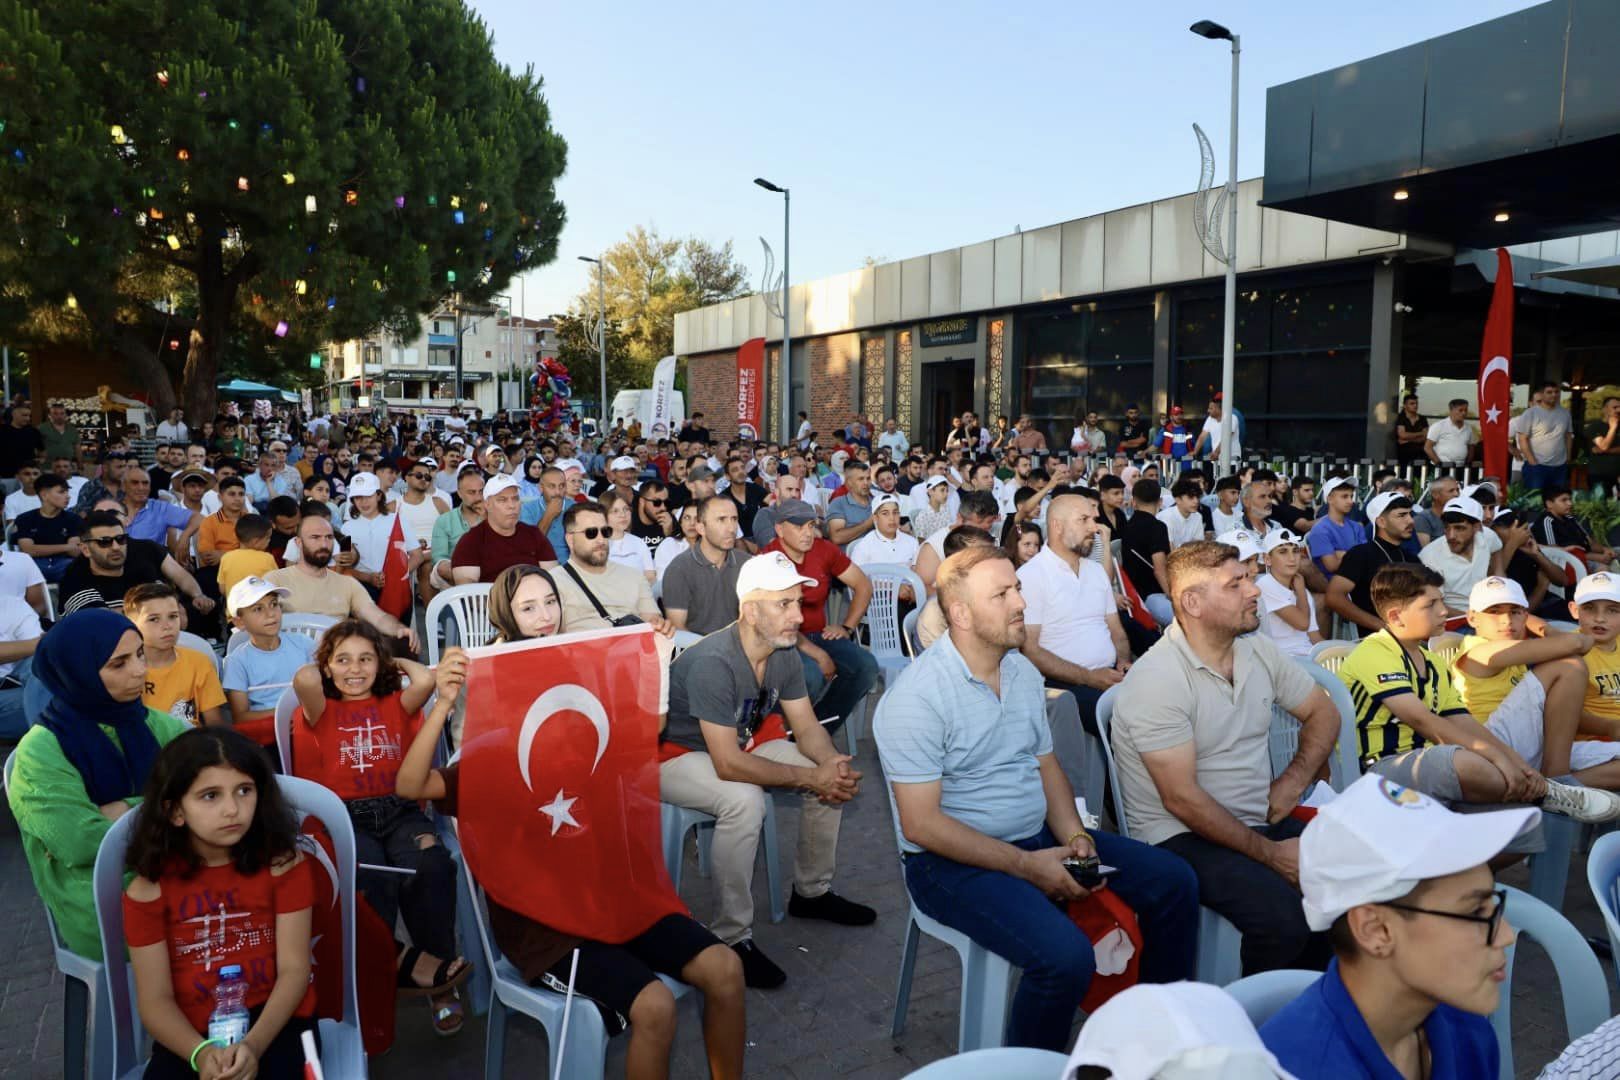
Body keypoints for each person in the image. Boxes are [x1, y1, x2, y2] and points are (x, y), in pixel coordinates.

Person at [396, 609, 745, 1080]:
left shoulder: (589, 734)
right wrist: (441, 705)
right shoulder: (489, 758)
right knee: (655, 1007)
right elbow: (410, 786)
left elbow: (651, 724)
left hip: (616, 900)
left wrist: (656, 657)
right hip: (546, 929)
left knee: (725, 968)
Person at [874, 545, 1197, 1050]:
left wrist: (1073, 834)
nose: (1020, 602)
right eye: (1001, 594)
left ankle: (1152, 1037)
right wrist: (1028, 866)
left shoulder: (1021, 671)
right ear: (960, 613)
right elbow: (922, 825)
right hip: (949, 862)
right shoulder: (916, 698)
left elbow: (1046, 766)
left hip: (1040, 837)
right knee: (1063, 957)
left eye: (1018, 588)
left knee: (1175, 881)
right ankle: (1029, 1065)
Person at [1112, 541, 1344, 975]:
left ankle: (1316, 1013)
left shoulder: (1254, 649)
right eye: (1235, 584)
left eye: (1249, 578)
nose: (1253, 590)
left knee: (1353, 882)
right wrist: (1273, 856)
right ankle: (1251, 1025)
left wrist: (1292, 782)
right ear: (1192, 603)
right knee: (1285, 919)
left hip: (1255, 816)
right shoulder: (1157, 679)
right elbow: (1180, 800)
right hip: (1179, 835)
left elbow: (1323, 712)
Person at [659, 553, 874, 989]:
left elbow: (808, 728)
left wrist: (830, 766)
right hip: (675, 755)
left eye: (798, 602)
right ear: (750, 610)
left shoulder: (783, 651)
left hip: (742, 740)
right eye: (784, 604)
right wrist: (812, 777)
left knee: (826, 773)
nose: (798, 615)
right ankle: (731, 938)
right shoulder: (713, 661)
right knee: (744, 800)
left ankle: (811, 893)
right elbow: (728, 764)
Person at [1260, 773, 1533, 1078]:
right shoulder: (1296, 1069)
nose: (1507, 936)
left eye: (1494, 904)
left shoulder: (1469, 1033)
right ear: (1376, 930)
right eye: (1476, 911)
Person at [290, 620, 470, 1035]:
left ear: (381, 663)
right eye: (343, 661)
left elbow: (424, 678)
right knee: (370, 876)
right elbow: (303, 677)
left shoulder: (396, 703)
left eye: (365, 659)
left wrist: (386, 660)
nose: (355, 669)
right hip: (345, 816)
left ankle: (438, 976)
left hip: (400, 809)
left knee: (432, 866)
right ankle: (383, 973)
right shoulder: (321, 708)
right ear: (328, 667)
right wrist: (337, 663)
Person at [1337, 564, 1618, 826]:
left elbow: (1462, 720)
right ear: (1396, 616)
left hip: (1431, 759)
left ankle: (1546, 791)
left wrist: (1515, 765)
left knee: (1523, 830)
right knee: (1463, 761)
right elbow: (1423, 720)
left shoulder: (1432, 661)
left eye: (1441, 601)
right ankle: (1550, 791)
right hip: (1380, 768)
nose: (1444, 611)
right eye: (1431, 605)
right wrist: (1500, 761)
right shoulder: (1375, 651)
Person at [120, 727, 317, 1080]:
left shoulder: (284, 866)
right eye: (210, 796)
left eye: (244, 790)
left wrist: (253, 1046)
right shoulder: (148, 891)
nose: (232, 809)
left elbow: (295, 971)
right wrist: (201, 1053)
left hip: (275, 1020)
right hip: (188, 1035)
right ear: (175, 811)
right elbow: (154, 1001)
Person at [6, 610, 191, 958]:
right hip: (98, 899)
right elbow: (81, 842)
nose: (140, 670)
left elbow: (207, 798)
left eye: (139, 654)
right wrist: (172, 811)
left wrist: (125, 810)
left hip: (175, 871)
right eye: (118, 664)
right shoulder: (40, 753)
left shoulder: (158, 725)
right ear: (78, 673)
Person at [1016, 493, 1130, 735]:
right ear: (1057, 526)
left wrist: (1122, 661)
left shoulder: (1096, 572)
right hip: (1063, 686)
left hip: (1109, 676)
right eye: (1084, 520)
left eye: (1094, 519)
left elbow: (1116, 630)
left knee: (1167, 705)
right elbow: (1031, 650)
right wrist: (1089, 677)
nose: (1094, 528)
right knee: (1131, 725)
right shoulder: (1031, 576)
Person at [761, 499, 879, 732]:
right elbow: (778, 622)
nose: (807, 533)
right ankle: (774, 734)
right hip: (780, 640)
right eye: (798, 526)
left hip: (818, 633)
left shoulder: (822, 549)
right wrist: (818, 654)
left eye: (810, 525)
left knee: (866, 667)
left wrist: (846, 627)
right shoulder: (768, 559)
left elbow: (863, 585)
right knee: (810, 675)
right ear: (779, 529)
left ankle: (818, 731)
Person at [265, 516, 417, 652]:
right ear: (298, 543)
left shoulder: (347, 583)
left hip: (338, 660)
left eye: (329, 537)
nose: (324, 544)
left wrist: (399, 629)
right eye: (315, 537)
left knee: (403, 646)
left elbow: (377, 617)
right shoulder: (275, 580)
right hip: (289, 661)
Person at [220, 577, 314, 742]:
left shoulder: (304, 644)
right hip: (266, 735)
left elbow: (322, 692)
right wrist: (285, 714)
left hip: (308, 725)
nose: (270, 613)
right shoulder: (236, 662)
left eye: (274, 604)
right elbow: (241, 717)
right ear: (240, 622)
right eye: (258, 609)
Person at [554, 501, 666, 630]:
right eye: (591, 533)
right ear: (570, 540)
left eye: (605, 532)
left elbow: (653, 623)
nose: (601, 540)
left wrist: (660, 626)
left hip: (632, 646)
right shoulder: (554, 583)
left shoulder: (634, 577)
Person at [126, 583, 225, 727]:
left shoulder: (199, 663)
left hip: (190, 745)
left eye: (173, 616)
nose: (167, 626)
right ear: (131, 624)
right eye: (154, 619)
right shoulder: (124, 671)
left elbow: (215, 724)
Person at [1328, 491, 1419, 637]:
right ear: (1381, 522)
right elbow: (1334, 597)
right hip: (1376, 638)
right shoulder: (1361, 554)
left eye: (1410, 514)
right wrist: (1382, 626)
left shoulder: (1411, 558)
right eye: (1402, 515)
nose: (1410, 521)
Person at [450, 472, 556, 584]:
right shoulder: (471, 541)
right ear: (487, 505)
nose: (512, 505)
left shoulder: (534, 534)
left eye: (515, 498)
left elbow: (553, 577)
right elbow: (468, 591)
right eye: (502, 500)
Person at [663, 497, 748, 635]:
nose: (731, 528)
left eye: (734, 519)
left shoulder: (747, 564)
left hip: (743, 647)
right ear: (701, 528)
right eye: (721, 520)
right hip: (699, 650)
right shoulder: (679, 569)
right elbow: (678, 629)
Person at [1419, 495, 1508, 618]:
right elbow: (1434, 604)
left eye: (1459, 528)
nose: (1451, 536)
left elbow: (1498, 560)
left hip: (1489, 612)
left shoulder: (1488, 537)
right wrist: (1475, 619)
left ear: (1477, 527)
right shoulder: (1429, 556)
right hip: (1454, 620)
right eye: (1447, 527)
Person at [1258, 530, 1322, 657]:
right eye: (1283, 552)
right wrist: (1301, 592)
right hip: (1283, 660)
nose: (1292, 558)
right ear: (1267, 559)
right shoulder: (1265, 585)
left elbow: (1314, 637)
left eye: (1295, 551)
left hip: (1308, 656)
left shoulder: (1301, 588)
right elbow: (1302, 624)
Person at [1120, 479, 1174, 627]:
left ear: (1133, 501)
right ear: (1160, 501)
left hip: (1132, 593)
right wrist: (1171, 595)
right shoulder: (1158, 527)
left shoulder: (1127, 525)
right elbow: (1159, 569)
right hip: (1152, 596)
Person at [1572, 572, 1620, 736]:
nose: (1600, 618)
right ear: (1574, 610)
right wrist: (1612, 728)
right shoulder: (1569, 652)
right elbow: (1563, 713)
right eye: (1589, 608)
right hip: (1594, 741)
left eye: (1612, 610)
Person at [14, 473, 81, 582]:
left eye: (67, 491)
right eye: (61, 492)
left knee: (78, 569)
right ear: (44, 495)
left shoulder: (73, 519)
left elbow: (75, 551)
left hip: (65, 565)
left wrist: (39, 549)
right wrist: (66, 547)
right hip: (34, 565)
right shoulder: (25, 519)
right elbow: (28, 550)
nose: (68, 496)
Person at [123, 467, 200, 559]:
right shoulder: (111, 508)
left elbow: (199, 519)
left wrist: (185, 536)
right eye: (135, 483)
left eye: (145, 483)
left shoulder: (161, 508)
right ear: (123, 486)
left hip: (152, 566)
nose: (141, 488)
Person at [430, 466, 485, 592]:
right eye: (471, 492)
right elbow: (439, 559)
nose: (478, 497)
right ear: (459, 493)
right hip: (455, 578)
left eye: (481, 491)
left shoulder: (494, 517)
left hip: (491, 573)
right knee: (442, 567)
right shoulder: (445, 520)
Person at [1537, 485, 1615, 568]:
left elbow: (1589, 542)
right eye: (1564, 500)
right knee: (1603, 569)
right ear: (1549, 504)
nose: (1570, 503)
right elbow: (1554, 553)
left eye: (1570, 499)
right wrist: (1595, 557)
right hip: (1568, 564)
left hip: (1586, 556)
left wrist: (1604, 549)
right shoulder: (1547, 522)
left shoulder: (1570, 518)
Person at [1517, 380, 1574, 492]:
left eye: (1556, 392)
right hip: (1537, 466)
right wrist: (1532, 461)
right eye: (1549, 392)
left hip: (1560, 466)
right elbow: (1522, 439)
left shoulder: (1565, 413)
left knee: (1557, 501)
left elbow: (1568, 436)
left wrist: (1568, 457)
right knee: (1535, 502)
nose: (1554, 394)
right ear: (1542, 395)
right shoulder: (1530, 413)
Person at [846, 493, 918, 570]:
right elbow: (856, 577)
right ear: (875, 518)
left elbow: (918, 574)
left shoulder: (912, 542)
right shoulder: (865, 545)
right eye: (885, 513)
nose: (892, 518)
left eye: (895, 513)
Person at [218, 514, 279, 602]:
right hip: (260, 610)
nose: (269, 541)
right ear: (256, 542)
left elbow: (222, 589)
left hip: (234, 612)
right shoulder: (267, 558)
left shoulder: (226, 558)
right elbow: (275, 583)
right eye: (268, 538)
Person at [600, 490, 656, 582]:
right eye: (615, 511)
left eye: (626, 509)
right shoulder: (598, 543)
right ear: (603, 515)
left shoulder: (638, 542)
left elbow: (650, 577)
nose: (623, 515)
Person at [824, 460, 875, 548]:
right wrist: (867, 524)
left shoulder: (877, 502)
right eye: (861, 479)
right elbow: (836, 537)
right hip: (850, 558)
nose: (866, 483)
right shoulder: (838, 503)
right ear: (849, 482)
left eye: (868, 478)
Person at [1424, 399, 1476, 467]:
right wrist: (1439, 464)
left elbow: (1471, 447)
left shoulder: (1468, 428)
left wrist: (1467, 463)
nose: (1464, 413)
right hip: (1442, 467)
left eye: (1465, 410)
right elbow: (1427, 447)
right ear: (1451, 410)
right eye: (1460, 410)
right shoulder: (1439, 426)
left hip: (1461, 467)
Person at [1587, 394, 1620, 498]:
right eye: (1615, 407)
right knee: (1599, 507)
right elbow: (1604, 446)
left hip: (1617, 476)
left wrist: (1606, 451)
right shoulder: (1594, 426)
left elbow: (1603, 449)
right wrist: (1613, 428)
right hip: (1598, 475)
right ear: (1604, 409)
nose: (1618, 410)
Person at [1393, 392, 1428, 464]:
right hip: (1404, 455)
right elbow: (1402, 435)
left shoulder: (1422, 419)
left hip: (1420, 454)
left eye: (1416, 403)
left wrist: (1408, 440)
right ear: (1405, 405)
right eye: (1412, 403)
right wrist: (1420, 433)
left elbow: (1425, 437)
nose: (1415, 406)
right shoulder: (1401, 418)